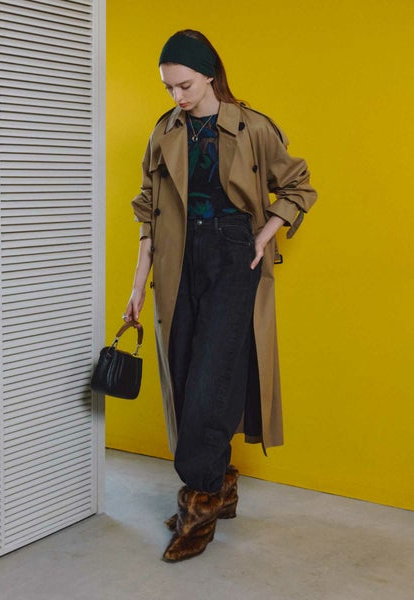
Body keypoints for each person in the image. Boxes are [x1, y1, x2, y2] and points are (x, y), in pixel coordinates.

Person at [123, 29, 317, 562]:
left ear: (209, 74)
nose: (177, 96)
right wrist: (137, 285)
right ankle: (222, 485)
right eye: (168, 88)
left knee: (213, 378)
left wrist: (263, 234)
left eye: (184, 85)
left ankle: (199, 502)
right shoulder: (164, 131)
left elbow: (298, 186)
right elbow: (148, 211)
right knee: (187, 376)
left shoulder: (253, 127)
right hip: (177, 260)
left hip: (234, 260)